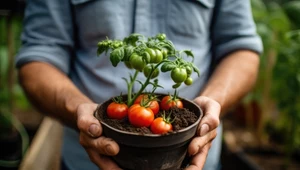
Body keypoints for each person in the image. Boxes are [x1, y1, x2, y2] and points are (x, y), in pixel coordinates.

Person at [16, 0, 262, 169]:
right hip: (86, 160)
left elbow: (241, 47)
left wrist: (213, 103)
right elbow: (39, 55)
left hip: (193, 158)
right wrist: (80, 111)